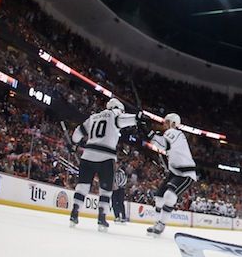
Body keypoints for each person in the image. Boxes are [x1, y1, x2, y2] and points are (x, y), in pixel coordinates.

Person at [69, 98, 137, 231]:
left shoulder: (94, 117)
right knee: (105, 190)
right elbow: (125, 120)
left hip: (88, 155)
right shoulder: (115, 114)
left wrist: (74, 143)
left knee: (82, 186)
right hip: (106, 157)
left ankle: (75, 212)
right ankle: (102, 217)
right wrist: (137, 117)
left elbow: (77, 133)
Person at [146, 113, 198, 236]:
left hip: (186, 173)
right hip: (175, 172)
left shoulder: (174, 132)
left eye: (167, 121)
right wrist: (150, 133)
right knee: (159, 197)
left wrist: (149, 132)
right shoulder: (172, 135)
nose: (164, 124)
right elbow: (162, 144)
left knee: (169, 196)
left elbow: (163, 144)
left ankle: (161, 224)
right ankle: (157, 223)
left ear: (174, 123)